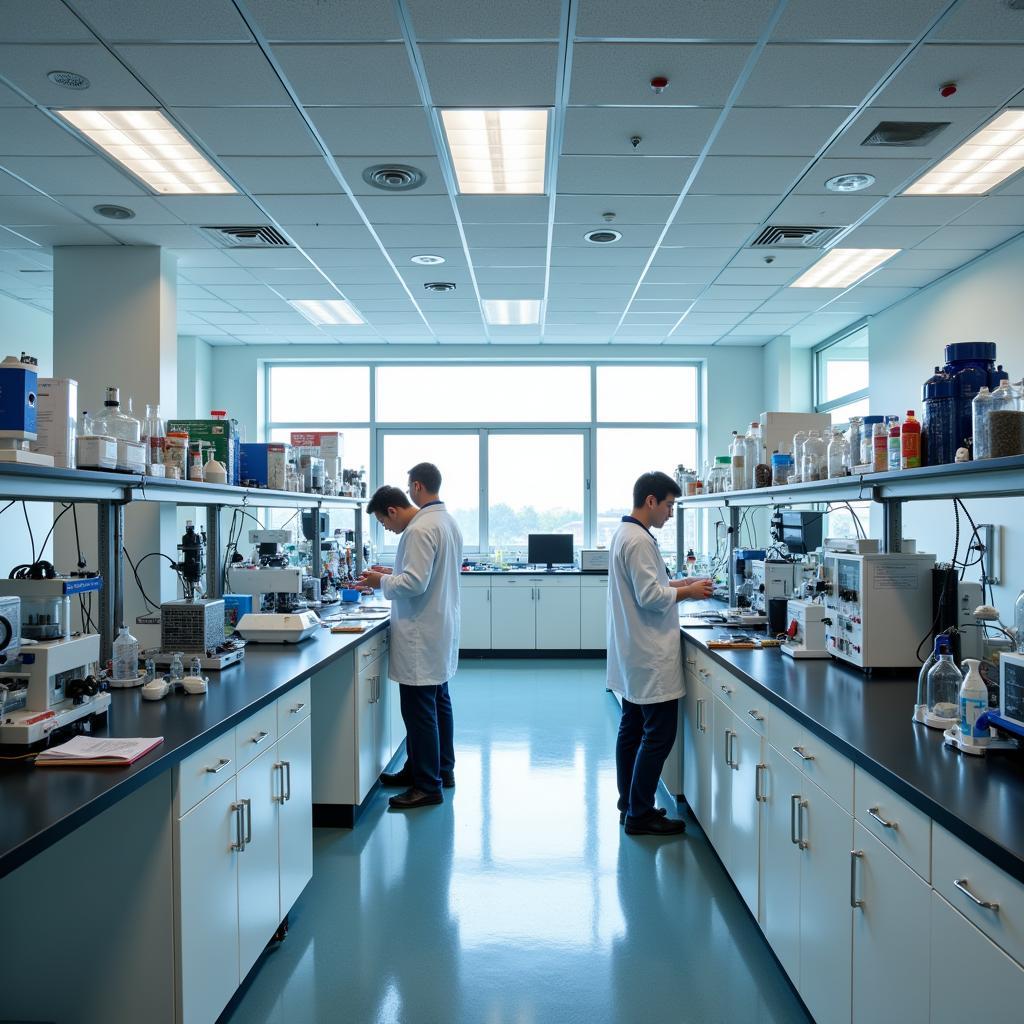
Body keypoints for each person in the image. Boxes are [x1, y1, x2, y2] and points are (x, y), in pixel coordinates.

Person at [608, 470, 713, 837]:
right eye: (669, 505)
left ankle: (629, 805)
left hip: (634, 653)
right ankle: (640, 814)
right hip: (649, 654)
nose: (670, 513)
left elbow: (652, 585)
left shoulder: (628, 534)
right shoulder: (637, 541)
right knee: (658, 736)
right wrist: (689, 593)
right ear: (650, 501)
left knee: (632, 729)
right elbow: (650, 597)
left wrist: (681, 583)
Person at [359, 463, 462, 810]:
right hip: (439, 627)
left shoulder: (417, 531)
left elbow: (415, 583)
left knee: (419, 712)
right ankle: (436, 770)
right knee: (438, 704)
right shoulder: (445, 521)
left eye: (385, 523)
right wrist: (392, 572)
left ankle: (426, 786)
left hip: (422, 632)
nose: (387, 529)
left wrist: (380, 582)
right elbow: (425, 574)